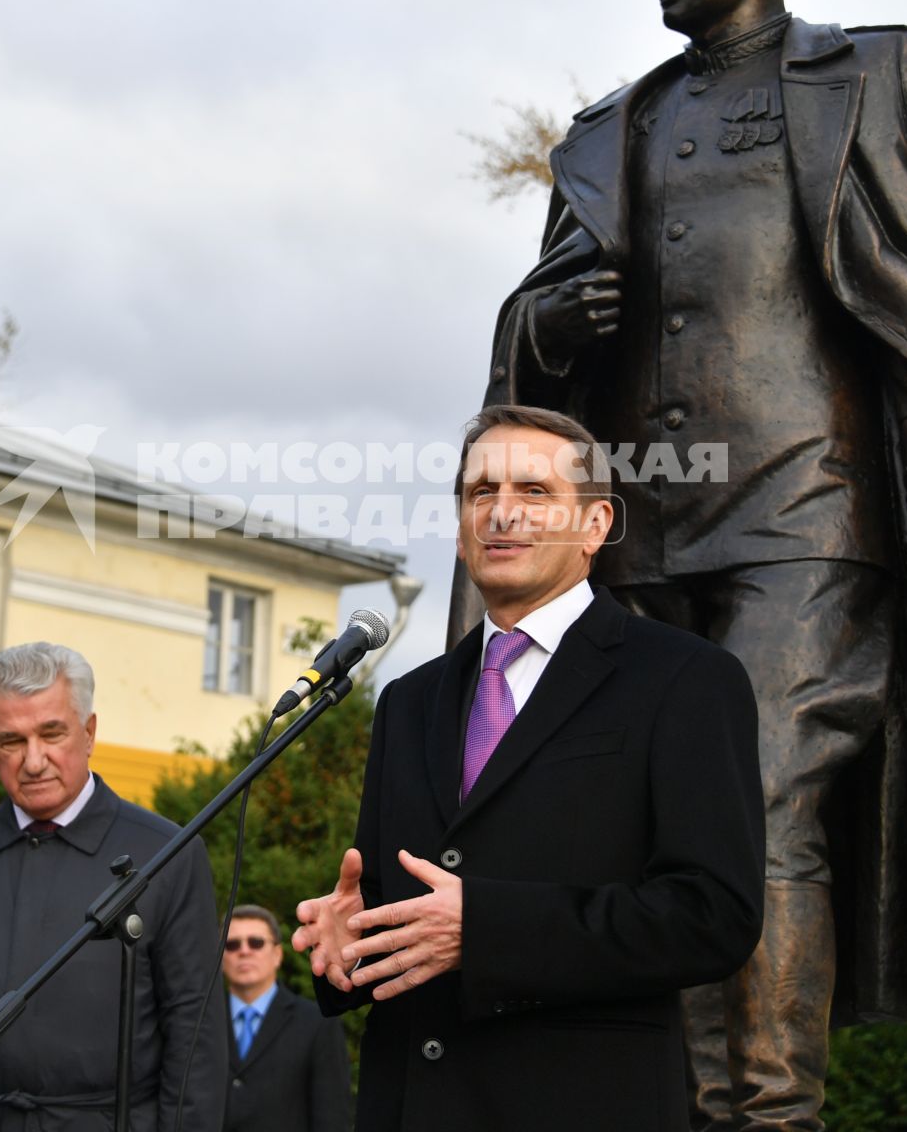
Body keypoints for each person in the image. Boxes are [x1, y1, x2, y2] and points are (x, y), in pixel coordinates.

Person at [466, 0, 907, 1128]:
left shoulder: (870, 74)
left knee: (757, 782)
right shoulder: (610, 125)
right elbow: (532, 340)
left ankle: (769, 1110)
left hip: (811, 506)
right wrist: (549, 318)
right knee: (662, 814)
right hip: (639, 517)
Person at [295, 406, 765, 1132]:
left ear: (596, 525)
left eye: (534, 493)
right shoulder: (407, 700)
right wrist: (350, 948)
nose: (501, 513)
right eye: (481, 493)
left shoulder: (685, 680)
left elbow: (714, 917)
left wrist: (485, 930)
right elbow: (406, 915)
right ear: (459, 529)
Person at [0, 642, 225, 1131]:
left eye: (51, 733)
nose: (34, 760)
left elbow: (195, 1038)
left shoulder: (168, 854)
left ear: (89, 732)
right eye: (12, 741)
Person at [219, 905, 348, 1132]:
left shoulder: (317, 1023)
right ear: (219, 958)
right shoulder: (197, 1021)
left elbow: (331, 1116)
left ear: (277, 954)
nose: (244, 951)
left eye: (256, 942)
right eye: (232, 945)